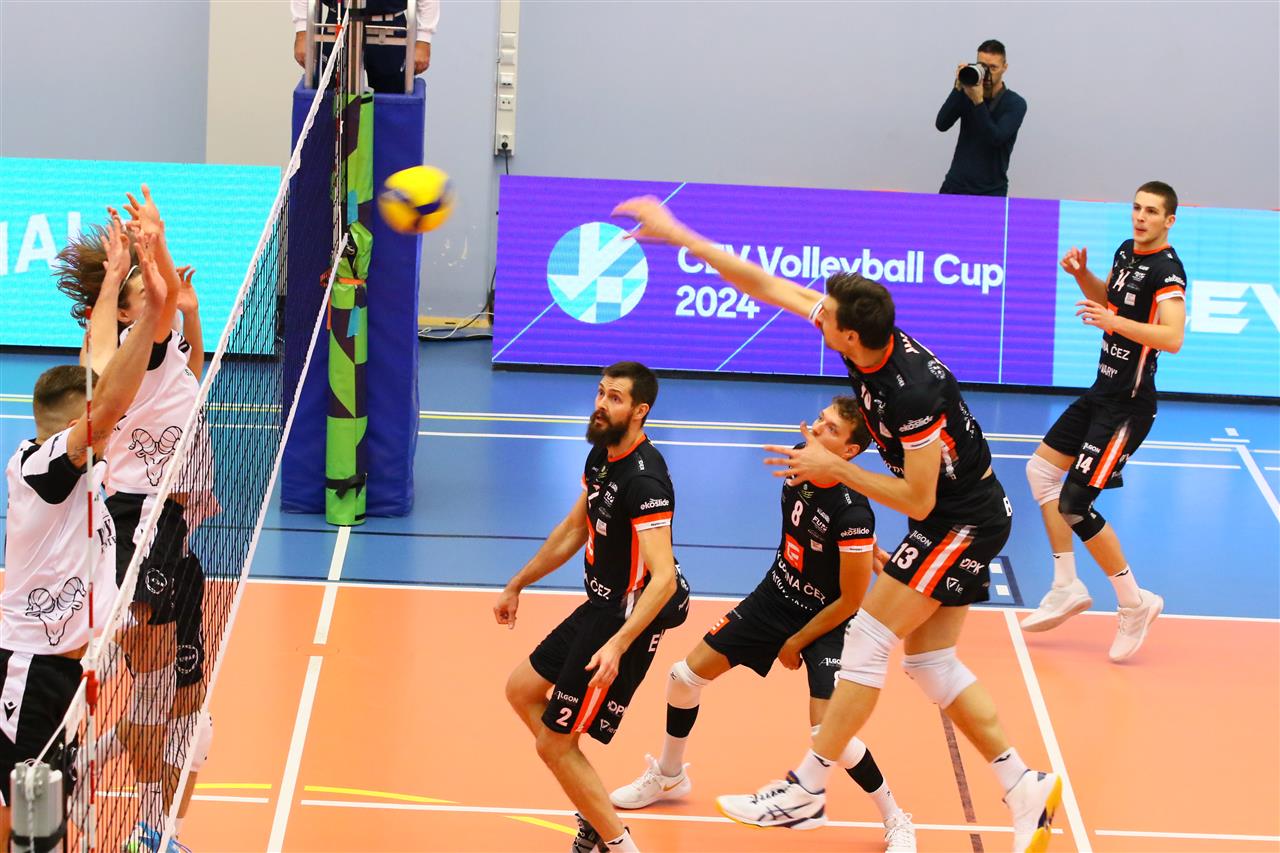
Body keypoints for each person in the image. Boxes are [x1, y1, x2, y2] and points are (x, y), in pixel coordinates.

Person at [612, 196, 1060, 853]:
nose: (817, 313)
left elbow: (917, 499)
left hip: (962, 520)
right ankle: (1023, 785)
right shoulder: (864, 344)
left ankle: (808, 787)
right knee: (931, 663)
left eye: (828, 314)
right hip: (954, 515)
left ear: (851, 335)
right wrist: (680, 233)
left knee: (869, 638)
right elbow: (767, 285)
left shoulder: (910, 394)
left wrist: (834, 465)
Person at [609, 396, 917, 852]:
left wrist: (797, 641)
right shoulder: (800, 460)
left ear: (850, 452)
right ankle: (669, 775)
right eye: (821, 419)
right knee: (682, 678)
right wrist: (867, 551)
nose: (816, 429)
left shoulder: (854, 513)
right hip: (775, 595)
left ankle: (896, 818)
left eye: (830, 429)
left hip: (826, 619)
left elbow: (851, 599)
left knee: (828, 733)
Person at [55, 189, 215, 851]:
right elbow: (157, 301)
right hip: (138, 516)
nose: (162, 291)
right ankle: (79, 739)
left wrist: (167, 279)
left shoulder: (160, 344)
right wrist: (151, 251)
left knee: (182, 710)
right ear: (125, 310)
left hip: (170, 527)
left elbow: (191, 367)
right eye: (145, 289)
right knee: (145, 664)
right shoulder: (129, 345)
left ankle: (150, 822)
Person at [0, 233, 166, 842]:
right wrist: (152, 312)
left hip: (65, 673)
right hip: (32, 675)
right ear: (75, 428)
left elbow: (101, 374)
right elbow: (111, 402)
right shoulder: (39, 469)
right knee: (31, 828)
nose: (111, 431)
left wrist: (114, 280)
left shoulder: (82, 468)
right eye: (96, 427)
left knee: (37, 822)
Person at [495, 361, 690, 853]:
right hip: (599, 605)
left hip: (626, 616)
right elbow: (572, 530)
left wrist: (618, 646)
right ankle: (594, 812)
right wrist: (518, 583)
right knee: (521, 690)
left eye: (615, 398)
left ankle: (617, 844)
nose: (601, 404)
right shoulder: (601, 456)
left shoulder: (645, 482)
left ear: (640, 411)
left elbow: (664, 580)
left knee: (554, 743)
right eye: (601, 392)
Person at [1020, 181, 1186, 661]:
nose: (1140, 217)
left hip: (1129, 407)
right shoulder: (1126, 251)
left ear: (1169, 220)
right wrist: (1082, 275)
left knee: (1075, 503)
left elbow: (1172, 337)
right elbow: (1110, 299)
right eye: (1137, 208)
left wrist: (1115, 324)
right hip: (1101, 391)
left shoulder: (1168, 270)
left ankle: (1135, 603)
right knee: (1040, 471)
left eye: (1151, 211)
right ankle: (1066, 585)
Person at [935, 39, 1027, 197]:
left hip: (990, 192)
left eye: (993, 67)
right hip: (954, 186)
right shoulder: (967, 92)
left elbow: (995, 138)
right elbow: (941, 124)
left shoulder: (1015, 103)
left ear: (1004, 68)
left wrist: (978, 102)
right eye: (983, 66)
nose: (987, 73)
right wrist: (958, 88)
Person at [292, 0, 440, 93]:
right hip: (338, 22)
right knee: (330, 100)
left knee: (393, 100)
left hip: (390, 25)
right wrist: (302, 32)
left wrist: (423, 40)